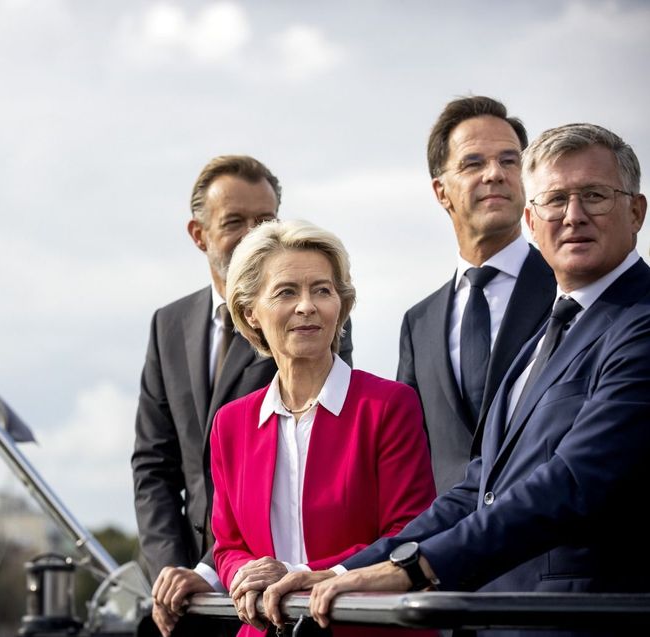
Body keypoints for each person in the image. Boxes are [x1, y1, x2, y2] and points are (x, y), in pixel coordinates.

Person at [273, 123, 649, 637]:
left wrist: (415, 568)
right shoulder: (548, 329)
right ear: (532, 221)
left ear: (636, 211)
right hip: (488, 616)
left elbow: (574, 480)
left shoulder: (641, 324)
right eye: (556, 200)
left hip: (577, 620)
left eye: (595, 196)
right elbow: (480, 486)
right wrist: (348, 570)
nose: (574, 215)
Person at [132, 156, 353, 635]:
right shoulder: (167, 325)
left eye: (265, 220)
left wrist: (217, 571)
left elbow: (319, 449)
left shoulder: (305, 317)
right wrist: (176, 574)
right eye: (235, 222)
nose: (253, 233)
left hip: (272, 584)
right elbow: (154, 464)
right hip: (186, 592)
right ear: (199, 233)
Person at [210, 219, 435, 636]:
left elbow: (408, 533)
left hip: (367, 628)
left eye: (322, 290)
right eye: (286, 292)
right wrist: (248, 573)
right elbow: (228, 545)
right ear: (249, 312)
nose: (307, 306)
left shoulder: (389, 406)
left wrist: (298, 574)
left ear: (341, 306)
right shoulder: (231, 424)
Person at [398, 96, 556, 494]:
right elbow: (410, 456)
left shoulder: (567, 291)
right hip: (444, 547)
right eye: (473, 163)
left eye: (509, 160)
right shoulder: (419, 324)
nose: (495, 174)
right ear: (441, 191)